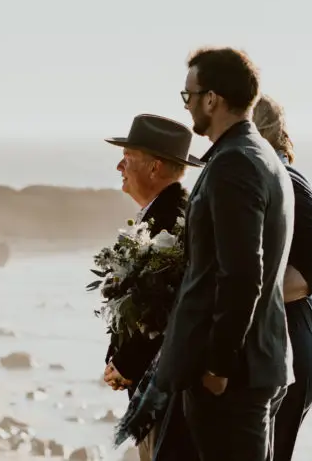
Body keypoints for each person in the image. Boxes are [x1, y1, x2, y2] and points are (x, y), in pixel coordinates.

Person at [155, 48, 293, 461]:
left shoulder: (235, 163)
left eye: (189, 95)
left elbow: (242, 274)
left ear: (212, 99)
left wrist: (219, 365)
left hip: (233, 377)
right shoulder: (263, 156)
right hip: (258, 363)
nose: (187, 105)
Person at [101, 114, 201, 461]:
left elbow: (169, 305)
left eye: (127, 158)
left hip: (167, 394)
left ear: (155, 167)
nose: (119, 167)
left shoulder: (174, 220)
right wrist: (116, 358)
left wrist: (127, 364)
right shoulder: (159, 214)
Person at [253, 95, 312, 461]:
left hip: (291, 351)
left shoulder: (289, 181)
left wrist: (246, 296)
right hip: (278, 351)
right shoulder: (266, 179)